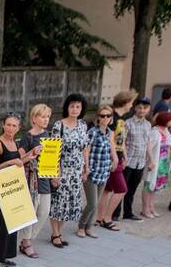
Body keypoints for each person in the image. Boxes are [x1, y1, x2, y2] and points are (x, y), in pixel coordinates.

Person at [0, 114, 28, 267]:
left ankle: (3, 256)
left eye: (14, 126)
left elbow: (18, 162)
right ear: (3, 125)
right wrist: (9, 162)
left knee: (10, 222)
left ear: (18, 128)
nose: (11, 128)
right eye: (8, 125)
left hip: (11, 187)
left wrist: (30, 155)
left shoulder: (14, 142)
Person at [49, 94, 90, 246]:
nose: (74, 109)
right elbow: (53, 151)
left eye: (77, 106)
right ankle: (55, 233)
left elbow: (85, 148)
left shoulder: (83, 125)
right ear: (67, 107)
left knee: (71, 203)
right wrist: (55, 174)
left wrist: (86, 167)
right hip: (62, 170)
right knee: (58, 203)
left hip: (76, 171)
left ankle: (59, 232)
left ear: (81, 109)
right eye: (72, 106)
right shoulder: (58, 125)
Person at [17, 105, 50, 258]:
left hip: (45, 178)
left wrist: (56, 175)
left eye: (48, 117)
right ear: (34, 118)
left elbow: (54, 158)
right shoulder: (27, 137)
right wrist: (33, 152)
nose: (46, 119)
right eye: (43, 116)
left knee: (44, 212)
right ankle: (26, 242)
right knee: (30, 212)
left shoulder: (48, 135)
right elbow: (19, 160)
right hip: (31, 179)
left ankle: (28, 239)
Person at [80, 105, 114, 236]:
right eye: (102, 116)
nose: (105, 118)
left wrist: (113, 160)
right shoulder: (92, 132)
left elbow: (110, 149)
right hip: (92, 172)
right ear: (98, 118)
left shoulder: (110, 133)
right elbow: (86, 150)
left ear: (111, 118)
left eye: (108, 116)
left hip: (104, 172)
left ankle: (89, 227)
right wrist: (86, 167)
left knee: (96, 202)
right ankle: (81, 226)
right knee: (92, 203)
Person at [121, 97, 153, 221]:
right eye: (139, 107)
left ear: (148, 109)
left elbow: (148, 143)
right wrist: (125, 157)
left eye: (145, 108)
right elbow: (122, 141)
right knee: (122, 189)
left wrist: (151, 160)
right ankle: (115, 214)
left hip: (140, 162)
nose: (142, 110)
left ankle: (128, 213)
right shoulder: (127, 123)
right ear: (135, 108)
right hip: (129, 161)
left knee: (132, 189)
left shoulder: (148, 125)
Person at [108, 90, 136, 221]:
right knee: (121, 189)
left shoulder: (122, 119)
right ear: (125, 102)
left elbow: (121, 140)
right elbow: (111, 139)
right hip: (112, 157)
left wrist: (124, 155)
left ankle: (102, 217)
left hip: (119, 156)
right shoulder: (112, 117)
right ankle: (107, 217)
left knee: (107, 190)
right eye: (131, 102)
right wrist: (115, 157)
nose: (131, 105)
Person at [141, 111, 171, 218]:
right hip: (155, 161)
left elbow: (170, 143)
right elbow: (149, 147)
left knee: (155, 186)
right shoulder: (155, 132)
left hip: (163, 162)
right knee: (148, 185)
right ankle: (145, 209)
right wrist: (152, 161)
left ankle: (151, 207)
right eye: (170, 119)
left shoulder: (166, 131)